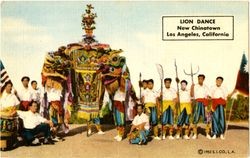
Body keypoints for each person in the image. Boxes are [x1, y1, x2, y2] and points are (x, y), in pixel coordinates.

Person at [190, 74, 211, 139]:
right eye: (199, 79)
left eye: (201, 79)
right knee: (195, 118)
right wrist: (192, 87)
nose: (200, 80)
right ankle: (195, 134)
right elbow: (192, 95)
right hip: (197, 102)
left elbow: (208, 95)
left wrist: (208, 97)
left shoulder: (206, 87)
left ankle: (207, 134)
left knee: (208, 118)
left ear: (203, 79)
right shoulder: (195, 86)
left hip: (204, 103)